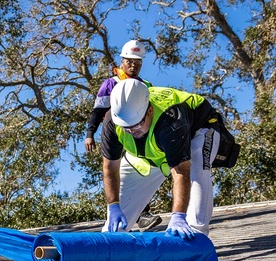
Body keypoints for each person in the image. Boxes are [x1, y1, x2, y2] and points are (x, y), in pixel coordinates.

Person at [101, 79, 239, 239]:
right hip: (152, 147)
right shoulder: (114, 121)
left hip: (199, 129)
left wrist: (178, 216)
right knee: (115, 227)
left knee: (197, 166)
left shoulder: (172, 120)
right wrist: (114, 205)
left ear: (150, 111)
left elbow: (181, 172)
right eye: (126, 128)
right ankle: (113, 238)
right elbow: (110, 168)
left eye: (136, 125)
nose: (132, 131)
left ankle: (196, 235)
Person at [84, 39, 151, 153]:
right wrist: (90, 134)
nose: (133, 65)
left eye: (137, 62)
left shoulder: (146, 86)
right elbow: (98, 111)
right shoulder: (111, 83)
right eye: (129, 61)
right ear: (122, 62)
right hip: (117, 136)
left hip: (143, 137)